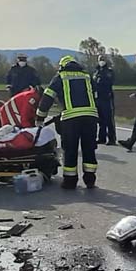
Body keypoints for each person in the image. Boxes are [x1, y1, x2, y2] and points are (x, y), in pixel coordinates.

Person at [36, 55, 99, 189]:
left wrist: (40, 118)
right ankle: (90, 180)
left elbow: (48, 97)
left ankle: (70, 181)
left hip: (71, 119)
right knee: (89, 149)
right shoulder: (87, 76)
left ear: (61, 66)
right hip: (91, 117)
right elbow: (95, 95)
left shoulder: (61, 76)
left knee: (70, 150)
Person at [92, 54, 116, 145]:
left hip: (107, 98)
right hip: (98, 98)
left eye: (103, 59)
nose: (101, 61)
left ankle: (112, 139)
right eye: (100, 59)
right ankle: (102, 138)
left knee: (109, 119)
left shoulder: (109, 71)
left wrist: (100, 79)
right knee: (101, 119)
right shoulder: (96, 71)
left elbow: (109, 81)